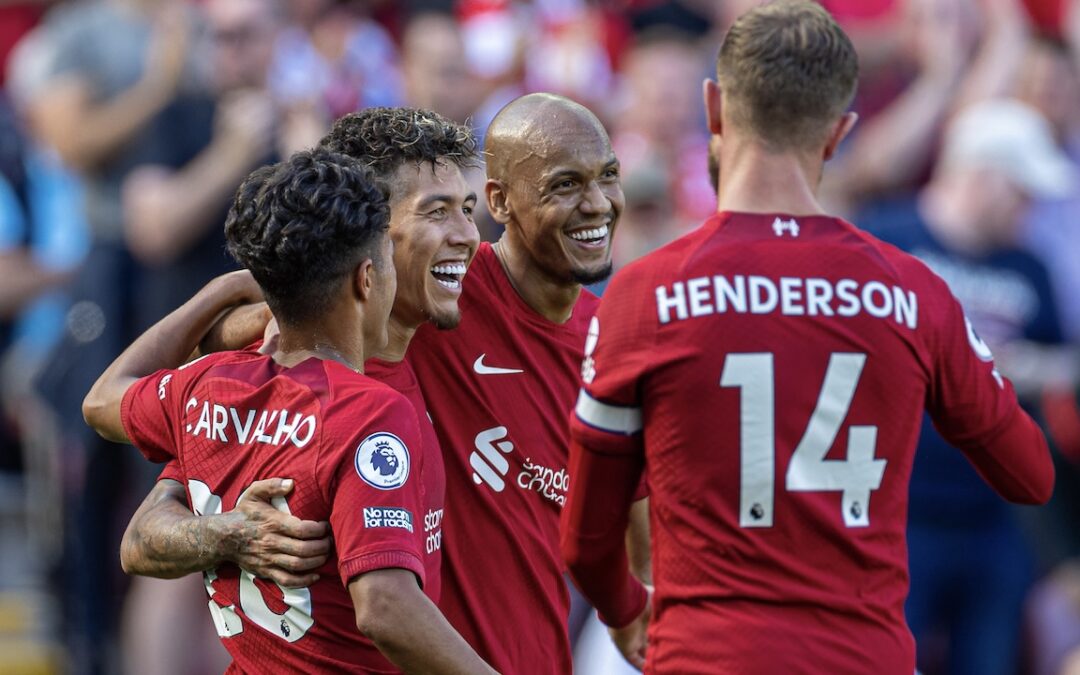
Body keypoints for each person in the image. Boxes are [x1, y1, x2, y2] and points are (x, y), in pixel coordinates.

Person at [559, 2, 1055, 673]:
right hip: (863, 655)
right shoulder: (915, 291)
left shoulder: (645, 293)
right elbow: (1030, 472)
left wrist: (624, 612)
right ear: (839, 131)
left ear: (713, 108)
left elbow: (587, 541)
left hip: (708, 655)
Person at [82, 148, 495, 674]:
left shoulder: (211, 386)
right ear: (367, 277)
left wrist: (221, 289)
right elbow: (386, 607)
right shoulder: (369, 411)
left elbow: (102, 403)